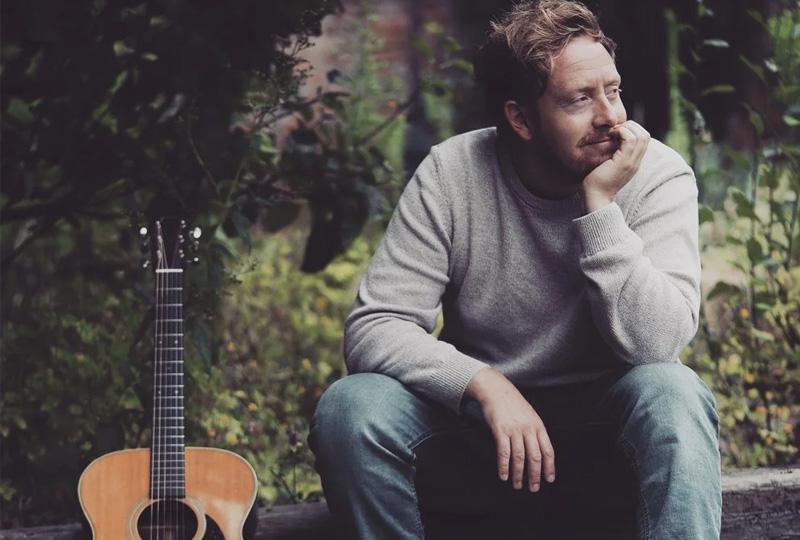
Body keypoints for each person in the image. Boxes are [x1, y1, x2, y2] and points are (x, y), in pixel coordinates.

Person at [308, 1, 722, 538]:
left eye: (613, 91)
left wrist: (599, 211)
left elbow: (658, 346)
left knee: (674, 393)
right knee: (352, 407)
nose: (612, 117)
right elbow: (375, 325)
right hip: (482, 439)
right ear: (520, 118)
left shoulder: (656, 176)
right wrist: (484, 384)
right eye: (580, 99)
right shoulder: (452, 174)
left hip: (604, 439)